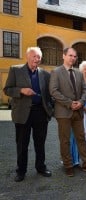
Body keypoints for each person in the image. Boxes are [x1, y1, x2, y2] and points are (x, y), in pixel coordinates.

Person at [49, 47, 86, 177]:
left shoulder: (79, 73)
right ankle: (68, 165)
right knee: (65, 140)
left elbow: (85, 90)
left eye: (75, 56)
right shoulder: (56, 72)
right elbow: (54, 91)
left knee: (81, 138)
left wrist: (81, 102)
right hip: (63, 112)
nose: (73, 58)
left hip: (78, 111)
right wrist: (69, 103)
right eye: (70, 55)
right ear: (64, 56)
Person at [3, 47, 53, 182]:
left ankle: (41, 167)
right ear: (27, 57)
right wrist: (21, 90)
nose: (37, 59)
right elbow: (7, 90)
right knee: (22, 144)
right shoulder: (16, 70)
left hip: (40, 113)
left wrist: (50, 109)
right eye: (34, 56)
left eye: (39, 57)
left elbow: (49, 95)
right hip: (22, 113)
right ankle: (21, 171)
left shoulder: (45, 74)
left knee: (40, 143)